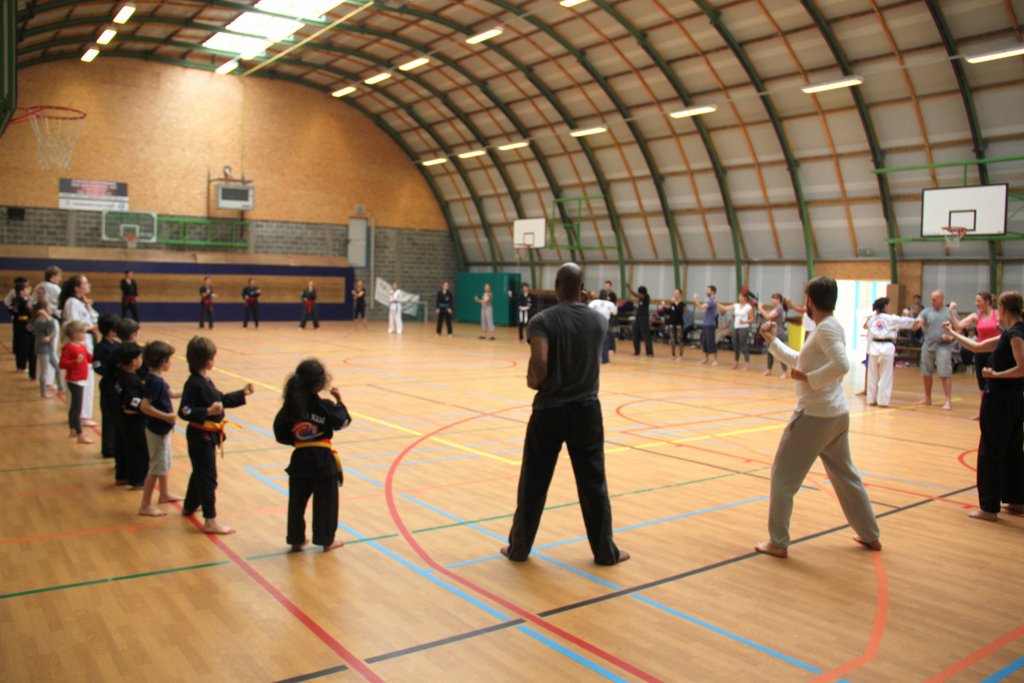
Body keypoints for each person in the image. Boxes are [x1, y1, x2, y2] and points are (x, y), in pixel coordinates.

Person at [502, 263, 629, 566]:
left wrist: (534, 381)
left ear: (557, 284)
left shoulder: (542, 320)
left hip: (549, 411)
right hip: (587, 411)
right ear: (582, 288)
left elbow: (540, 365)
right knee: (593, 482)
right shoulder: (598, 321)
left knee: (533, 481)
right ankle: (605, 553)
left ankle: (519, 549)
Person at [755, 276, 881, 558]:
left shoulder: (825, 330)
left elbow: (841, 364)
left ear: (811, 301)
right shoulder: (829, 327)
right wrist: (773, 341)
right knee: (846, 476)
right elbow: (802, 361)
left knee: (782, 477)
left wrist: (809, 379)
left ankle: (778, 542)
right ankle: (870, 535)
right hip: (836, 416)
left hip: (814, 417)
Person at [943, 292, 1024, 520]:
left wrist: (995, 374)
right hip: (1014, 400)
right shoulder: (1012, 333)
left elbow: (1022, 367)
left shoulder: (1015, 335)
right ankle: (1017, 500)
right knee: (1012, 450)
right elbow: (978, 347)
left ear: (1004, 309)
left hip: (1001, 400)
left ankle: (988, 508)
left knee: (991, 451)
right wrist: (951, 332)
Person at [273, 359, 351, 553]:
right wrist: (340, 402)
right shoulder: (324, 406)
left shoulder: (290, 408)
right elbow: (343, 422)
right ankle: (326, 540)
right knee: (326, 502)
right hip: (323, 461)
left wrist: (299, 441)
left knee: (297, 502)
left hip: (300, 460)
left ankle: (296, 539)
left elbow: (279, 433)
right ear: (320, 384)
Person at [178, 336, 254, 534]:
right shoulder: (193, 383)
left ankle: (189, 505)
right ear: (208, 360)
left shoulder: (205, 380)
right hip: (199, 435)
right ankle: (210, 520)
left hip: (208, 436)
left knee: (200, 471)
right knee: (208, 476)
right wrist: (207, 412)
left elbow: (220, 399)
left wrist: (242, 393)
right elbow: (184, 411)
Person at [138, 341, 182, 516]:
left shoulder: (157, 379)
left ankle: (164, 493)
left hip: (162, 430)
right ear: (163, 362)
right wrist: (166, 416)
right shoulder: (154, 381)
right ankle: (145, 504)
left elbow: (171, 393)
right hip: (157, 430)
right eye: (169, 360)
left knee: (164, 463)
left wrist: (189, 389)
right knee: (156, 467)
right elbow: (145, 406)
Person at [949, 292, 999, 419]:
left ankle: (995, 412)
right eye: (976, 301)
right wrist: (951, 310)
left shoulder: (997, 314)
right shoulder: (976, 316)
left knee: (994, 382)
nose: (976, 304)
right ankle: (983, 412)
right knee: (982, 384)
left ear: (987, 301)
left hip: (995, 352)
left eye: (979, 301)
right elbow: (958, 326)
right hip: (980, 352)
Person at [864, 298, 919, 408]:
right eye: (888, 305)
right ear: (885, 306)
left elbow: (865, 326)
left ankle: (871, 400)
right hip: (887, 348)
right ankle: (883, 402)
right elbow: (909, 322)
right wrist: (911, 315)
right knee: (885, 375)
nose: (889, 307)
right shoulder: (891, 318)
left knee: (872, 375)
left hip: (874, 347)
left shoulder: (872, 319)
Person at [60, 275, 99, 426]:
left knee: (87, 380)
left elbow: (94, 318)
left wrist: (88, 306)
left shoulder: (81, 302)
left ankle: (82, 415)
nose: (89, 285)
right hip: (77, 347)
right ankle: (78, 416)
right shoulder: (71, 303)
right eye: (85, 283)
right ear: (77, 287)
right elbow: (74, 325)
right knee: (78, 380)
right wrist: (90, 328)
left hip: (86, 344)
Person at [116, 343, 148, 490]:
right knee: (138, 451)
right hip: (133, 420)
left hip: (125, 420)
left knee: (129, 448)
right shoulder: (129, 380)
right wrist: (145, 406)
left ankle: (125, 475)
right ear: (134, 361)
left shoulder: (125, 375)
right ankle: (137, 480)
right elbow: (131, 400)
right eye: (140, 357)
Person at [917, 290, 955, 410]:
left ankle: (948, 400)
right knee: (926, 372)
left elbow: (958, 329)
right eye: (931, 299)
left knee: (945, 373)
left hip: (943, 346)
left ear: (941, 299)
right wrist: (916, 323)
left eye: (934, 300)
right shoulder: (927, 311)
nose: (932, 302)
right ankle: (927, 398)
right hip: (928, 345)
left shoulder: (950, 312)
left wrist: (951, 337)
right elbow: (919, 321)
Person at [59, 320, 94, 445]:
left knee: (75, 406)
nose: (85, 335)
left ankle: (73, 429)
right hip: (75, 380)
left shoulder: (81, 346)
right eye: (83, 332)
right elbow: (62, 364)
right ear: (75, 334)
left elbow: (89, 358)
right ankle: (80, 434)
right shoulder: (68, 348)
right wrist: (75, 362)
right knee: (77, 407)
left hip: (81, 379)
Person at [32, 266, 63, 389]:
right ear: (53, 276)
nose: (60, 278)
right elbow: (60, 306)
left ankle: (41, 377)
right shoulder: (55, 288)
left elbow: (31, 303)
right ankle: (49, 381)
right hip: (51, 319)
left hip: (38, 319)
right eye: (59, 276)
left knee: (41, 349)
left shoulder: (39, 286)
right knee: (51, 349)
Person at [32, 300, 64, 398]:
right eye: (48, 308)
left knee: (58, 368)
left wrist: (50, 336)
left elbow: (53, 331)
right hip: (42, 349)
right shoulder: (39, 321)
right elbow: (51, 325)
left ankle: (61, 389)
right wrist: (46, 316)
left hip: (49, 348)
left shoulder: (46, 320)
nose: (50, 309)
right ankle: (43, 392)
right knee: (44, 371)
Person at [10, 280, 36, 380]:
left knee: (28, 344)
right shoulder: (18, 300)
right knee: (22, 344)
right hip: (21, 324)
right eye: (27, 288)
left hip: (26, 323)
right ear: (21, 291)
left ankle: (25, 364)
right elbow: (15, 311)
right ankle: (21, 366)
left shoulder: (26, 300)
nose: (29, 290)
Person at [758, 293, 789, 377]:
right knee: (770, 352)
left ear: (779, 299)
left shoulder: (779, 308)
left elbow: (768, 317)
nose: (772, 300)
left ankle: (785, 372)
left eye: (774, 298)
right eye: (772, 298)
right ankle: (769, 370)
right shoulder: (777, 308)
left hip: (778, 333)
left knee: (779, 353)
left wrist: (760, 308)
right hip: (773, 333)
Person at [588, 289, 618, 364]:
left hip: (594, 324)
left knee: (593, 342)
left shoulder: (594, 302)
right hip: (604, 324)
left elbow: (587, 310)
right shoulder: (610, 304)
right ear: (606, 296)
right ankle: (605, 359)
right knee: (605, 342)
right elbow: (615, 313)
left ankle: (592, 359)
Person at [694, 285, 718, 365]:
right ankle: (705, 359)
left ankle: (715, 360)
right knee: (704, 341)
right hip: (706, 323)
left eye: (708, 290)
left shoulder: (713, 300)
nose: (706, 291)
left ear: (713, 291)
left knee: (710, 342)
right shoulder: (710, 299)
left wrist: (696, 299)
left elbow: (700, 307)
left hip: (710, 324)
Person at [661, 289, 686, 361]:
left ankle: (681, 355)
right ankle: (673, 355)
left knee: (679, 339)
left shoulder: (682, 304)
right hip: (672, 323)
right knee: (672, 339)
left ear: (680, 294)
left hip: (679, 324)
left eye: (677, 293)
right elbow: (669, 312)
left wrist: (675, 302)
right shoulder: (672, 304)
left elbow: (680, 311)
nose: (675, 295)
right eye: (674, 293)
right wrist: (664, 306)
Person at [628, 284, 653, 357]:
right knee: (635, 334)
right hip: (638, 318)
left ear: (643, 293)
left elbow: (636, 295)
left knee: (646, 336)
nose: (638, 294)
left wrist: (630, 289)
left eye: (640, 292)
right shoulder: (640, 299)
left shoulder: (646, 297)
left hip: (644, 318)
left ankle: (649, 352)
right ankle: (637, 351)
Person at [731, 291, 754, 371]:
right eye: (739, 296)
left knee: (744, 347)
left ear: (744, 298)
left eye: (740, 296)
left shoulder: (748, 307)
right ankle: (736, 363)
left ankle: (747, 365)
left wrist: (744, 322)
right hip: (736, 327)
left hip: (744, 328)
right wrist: (717, 304)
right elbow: (725, 308)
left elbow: (752, 319)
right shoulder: (736, 305)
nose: (739, 298)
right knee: (736, 346)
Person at [603, 280, 618, 352]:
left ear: (611, 286)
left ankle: (612, 348)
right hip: (605, 316)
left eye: (608, 286)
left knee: (610, 332)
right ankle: (607, 347)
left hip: (611, 316)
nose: (606, 287)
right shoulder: (604, 294)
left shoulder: (612, 294)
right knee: (606, 332)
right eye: (605, 286)